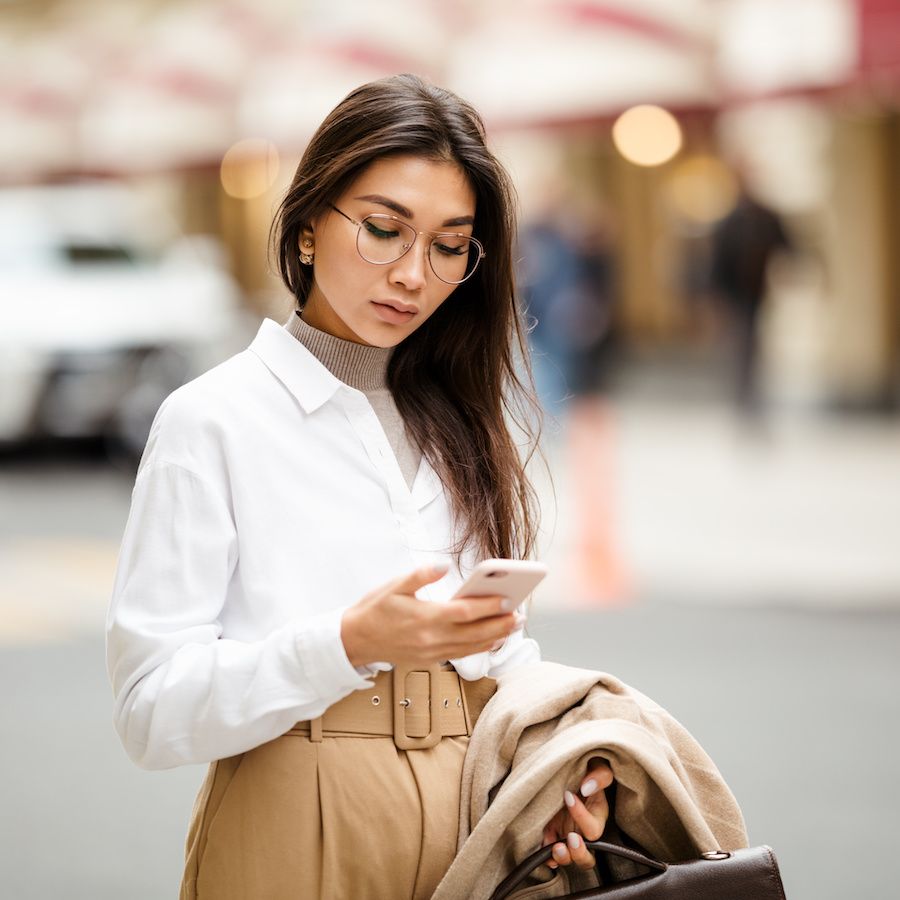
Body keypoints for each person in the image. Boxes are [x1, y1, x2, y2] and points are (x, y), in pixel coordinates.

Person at [106, 74, 613, 899]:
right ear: (309, 225)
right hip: (293, 829)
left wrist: (558, 770)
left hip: (471, 833)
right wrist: (346, 645)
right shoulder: (212, 420)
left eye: (449, 246)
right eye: (383, 230)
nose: (413, 273)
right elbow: (150, 712)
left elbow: (496, 658)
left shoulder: (464, 421)